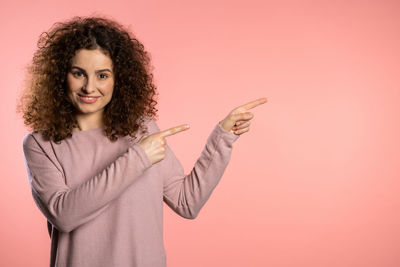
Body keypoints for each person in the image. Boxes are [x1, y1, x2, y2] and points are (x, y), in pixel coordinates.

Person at [18, 15, 267, 267]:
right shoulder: (40, 143)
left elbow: (187, 202)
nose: (89, 87)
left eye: (102, 75)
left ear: (119, 80)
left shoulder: (142, 129)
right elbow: (64, 215)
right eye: (78, 73)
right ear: (61, 75)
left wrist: (223, 137)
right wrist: (138, 158)